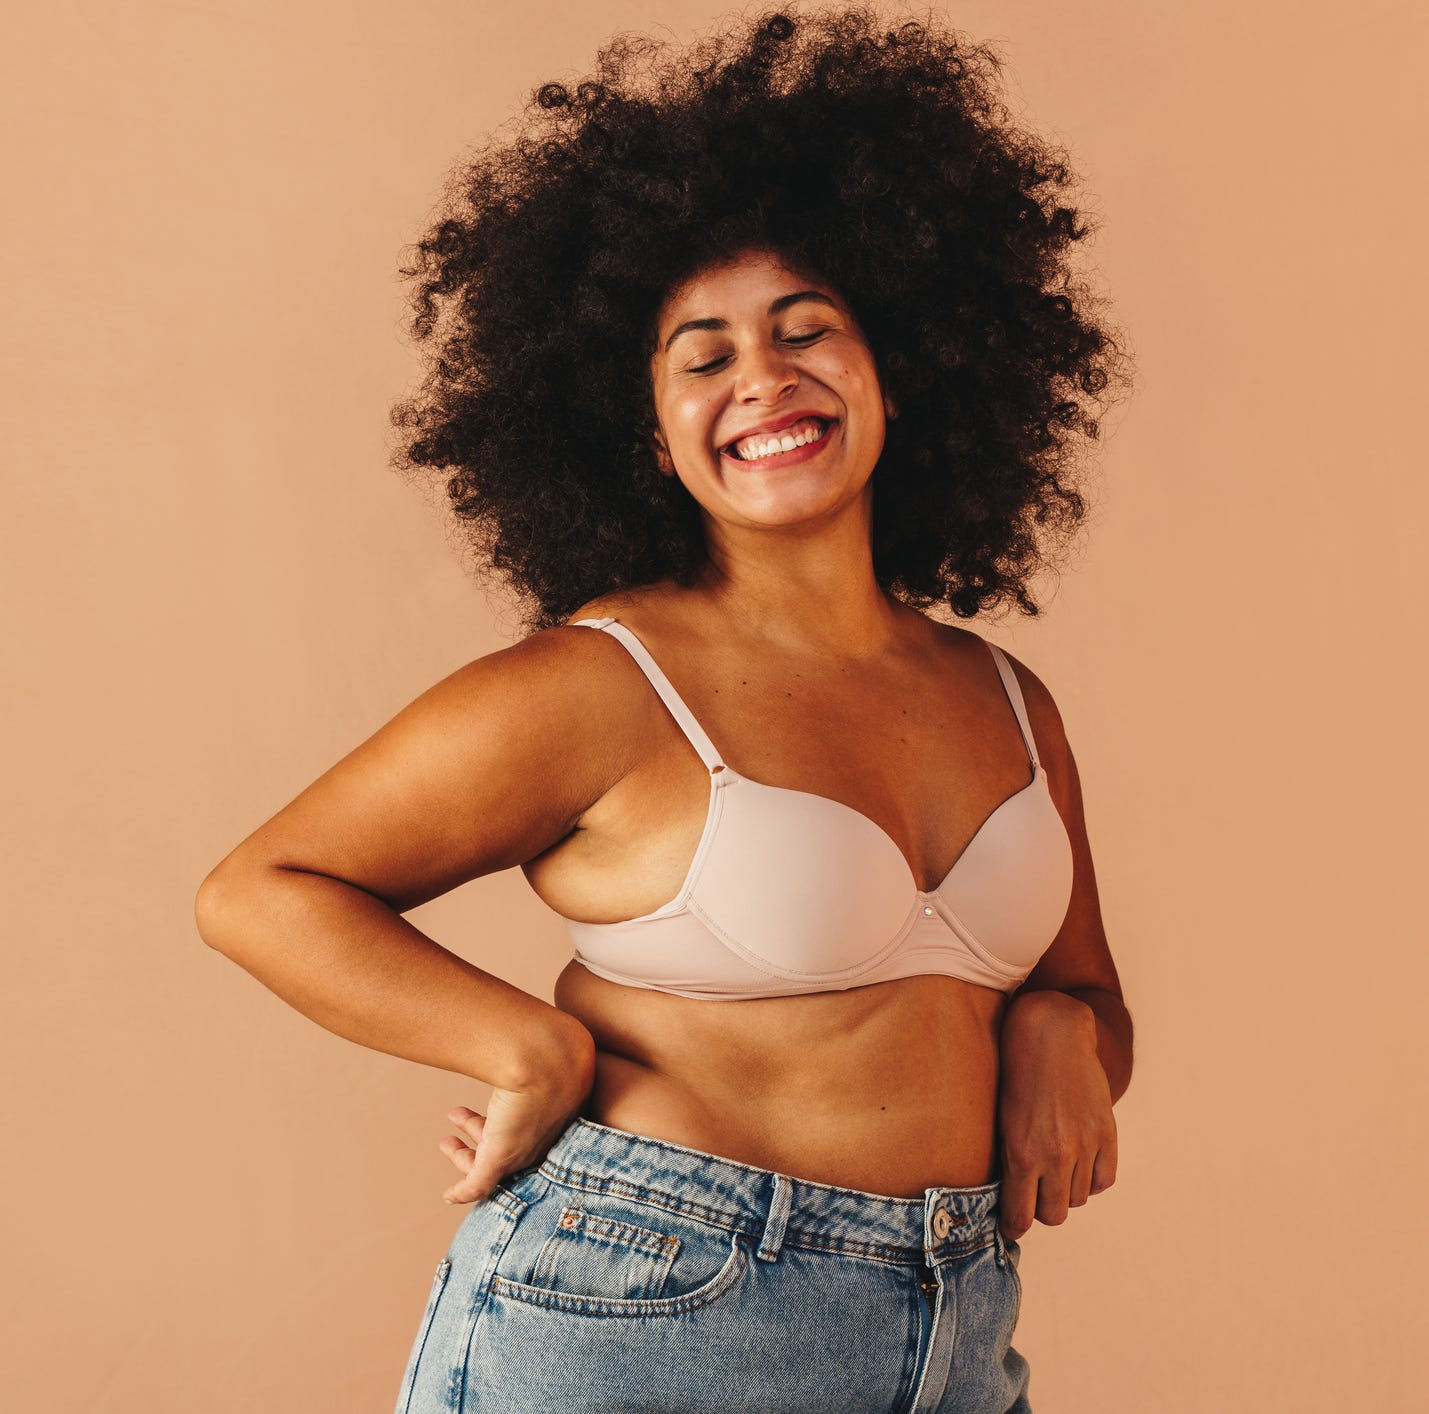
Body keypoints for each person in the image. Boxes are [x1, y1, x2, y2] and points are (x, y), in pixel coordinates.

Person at [195, 8, 1135, 1411]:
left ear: (898, 368)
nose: (762, 375)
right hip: (652, 1304)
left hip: (948, 1314)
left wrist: (1064, 1026)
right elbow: (261, 888)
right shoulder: (602, 685)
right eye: (703, 355)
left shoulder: (1002, 695)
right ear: (643, 431)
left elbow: (1085, 994)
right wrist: (531, 1043)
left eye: (807, 331)